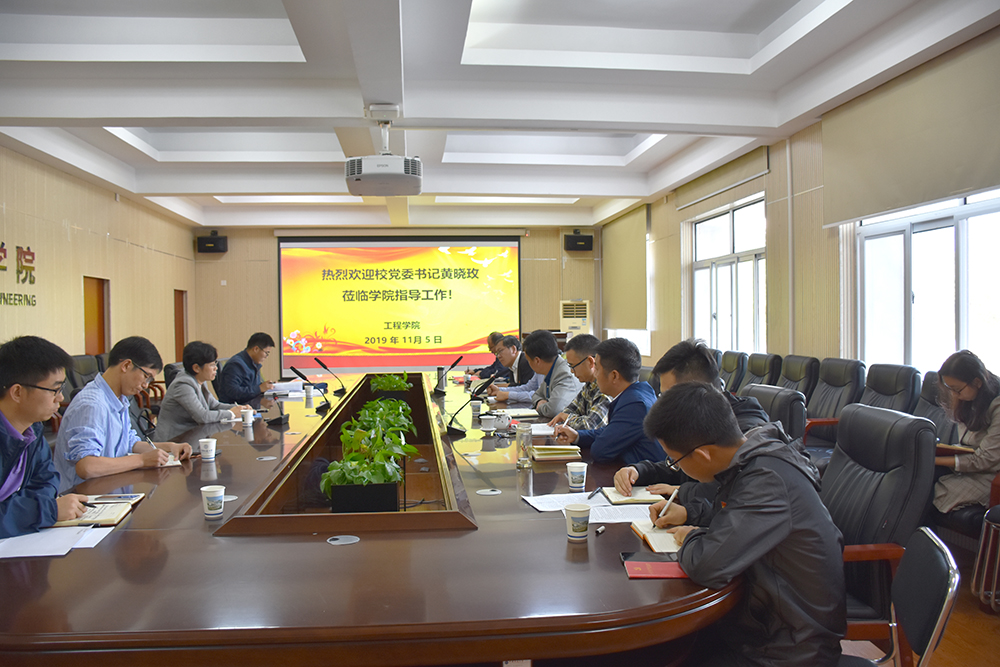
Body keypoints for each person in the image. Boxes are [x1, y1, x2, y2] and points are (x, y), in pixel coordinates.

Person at [645, 382, 845, 667]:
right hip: (761, 622)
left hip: (788, 648)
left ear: (702, 454)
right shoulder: (751, 457)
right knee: (668, 646)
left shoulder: (767, 480)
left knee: (668, 649)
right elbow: (736, 514)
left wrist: (690, 537)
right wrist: (689, 513)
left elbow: (705, 565)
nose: (676, 467)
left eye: (675, 461)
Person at [614, 338, 770, 494]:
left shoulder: (746, 427)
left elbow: (738, 481)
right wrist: (639, 470)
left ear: (695, 390)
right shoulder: (694, 417)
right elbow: (680, 466)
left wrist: (684, 492)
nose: (664, 403)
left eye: (669, 395)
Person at [53, 336, 192, 492]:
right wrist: (141, 460)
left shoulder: (119, 399)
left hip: (112, 491)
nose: (146, 385)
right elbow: (87, 467)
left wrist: (169, 447)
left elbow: (130, 443)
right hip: (87, 498)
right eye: (146, 376)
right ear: (126, 365)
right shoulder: (92, 404)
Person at [0, 336, 88, 537]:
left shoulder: (33, 428)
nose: (61, 398)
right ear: (17, 392)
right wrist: (46, 511)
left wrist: (38, 509)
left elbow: (46, 478)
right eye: (54, 390)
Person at [553, 338, 662, 464]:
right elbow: (609, 431)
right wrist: (577, 436)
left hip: (645, 475)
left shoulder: (635, 405)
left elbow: (600, 450)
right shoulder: (638, 392)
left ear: (614, 376)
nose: (595, 375)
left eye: (597, 369)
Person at [932, 350, 1000, 513]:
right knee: (917, 477)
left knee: (932, 491)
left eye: (957, 389)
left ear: (977, 382)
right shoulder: (972, 397)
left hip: (990, 473)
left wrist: (936, 460)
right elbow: (966, 444)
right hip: (970, 463)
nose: (954, 395)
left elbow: (985, 459)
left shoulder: (997, 405)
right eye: (950, 389)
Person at [153, 341, 251, 442]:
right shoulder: (183, 385)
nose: (216, 368)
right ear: (196, 368)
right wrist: (231, 413)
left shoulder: (199, 380)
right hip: (172, 442)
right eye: (212, 365)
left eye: (215, 363)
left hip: (190, 438)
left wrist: (239, 409)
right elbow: (203, 416)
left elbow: (214, 405)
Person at [546, 334, 610, 430]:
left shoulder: (606, 388)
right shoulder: (588, 385)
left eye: (573, 366)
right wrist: (569, 417)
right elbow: (569, 410)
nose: (571, 371)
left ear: (590, 362)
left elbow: (589, 426)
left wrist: (568, 418)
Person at [514, 330, 582, 419]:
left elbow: (553, 410)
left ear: (537, 361)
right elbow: (536, 395)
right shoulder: (551, 369)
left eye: (528, 360)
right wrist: (539, 401)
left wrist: (540, 407)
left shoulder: (564, 374)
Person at [216, 332, 275, 404]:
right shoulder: (235, 365)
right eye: (266, 353)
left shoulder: (254, 363)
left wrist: (268, 386)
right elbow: (232, 392)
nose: (266, 356)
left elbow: (252, 386)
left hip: (251, 405)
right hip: (236, 408)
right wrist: (259, 388)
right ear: (256, 349)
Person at [486, 334, 539, 403]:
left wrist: (508, 395)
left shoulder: (526, 362)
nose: (498, 356)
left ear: (513, 349)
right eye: (497, 353)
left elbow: (532, 392)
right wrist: (499, 390)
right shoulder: (512, 365)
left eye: (500, 351)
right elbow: (525, 387)